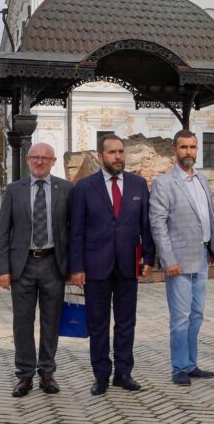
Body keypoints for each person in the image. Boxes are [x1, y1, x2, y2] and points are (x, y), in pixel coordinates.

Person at [69, 134, 155, 396]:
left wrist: (149, 258)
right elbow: (76, 231)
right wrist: (76, 267)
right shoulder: (84, 188)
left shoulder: (138, 185)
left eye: (121, 152)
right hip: (96, 266)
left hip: (128, 265)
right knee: (98, 323)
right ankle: (101, 375)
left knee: (126, 322)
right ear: (100, 156)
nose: (118, 157)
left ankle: (124, 372)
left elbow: (146, 225)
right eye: (112, 153)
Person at [0, 142, 72, 397]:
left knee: (51, 322)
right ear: (28, 160)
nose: (40, 162)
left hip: (53, 264)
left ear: (53, 162)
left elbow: (74, 230)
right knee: (23, 323)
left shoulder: (66, 189)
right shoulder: (14, 191)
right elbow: (3, 232)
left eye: (45, 158)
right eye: (35, 157)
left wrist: (74, 266)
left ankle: (47, 373)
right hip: (23, 266)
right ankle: (25, 375)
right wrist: (2, 269)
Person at [149, 130, 214, 386]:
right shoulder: (164, 183)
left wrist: (213, 248)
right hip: (178, 261)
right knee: (180, 317)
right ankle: (179, 366)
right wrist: (168, 261)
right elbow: (157, 224)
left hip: (201, 256)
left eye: (192, 147)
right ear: (174, 150)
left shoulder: (201, 178)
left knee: (197, 315)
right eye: (183, 147)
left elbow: (209, 216)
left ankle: (191, 364)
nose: (188, 152)